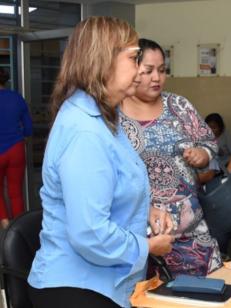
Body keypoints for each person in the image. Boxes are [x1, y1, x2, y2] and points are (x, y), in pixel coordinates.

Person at [27, 17, 174, 308]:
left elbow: (109, 188)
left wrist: (146, 210)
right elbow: (89, 232)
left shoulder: (106, 119)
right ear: (104, 61)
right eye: (134, 58)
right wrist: (147, 247)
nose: (140, 70)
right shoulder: (85, 131)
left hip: (104, 285)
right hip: (76, 289)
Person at [119, 38, 222, 276]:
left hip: (190, 233)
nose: (157, 77)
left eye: (162, 70)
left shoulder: (179, 105)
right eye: (148, 71)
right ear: (132, 70)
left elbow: (209, 143)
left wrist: (203, 155)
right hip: (137, 238)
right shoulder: (115, 115)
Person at [0, 67, 32, 229]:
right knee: (15, 190)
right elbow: (28, 127)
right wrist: (22, 138)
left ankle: (5, 223)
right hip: (16, 149)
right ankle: (20, 226)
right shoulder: (17, 98)